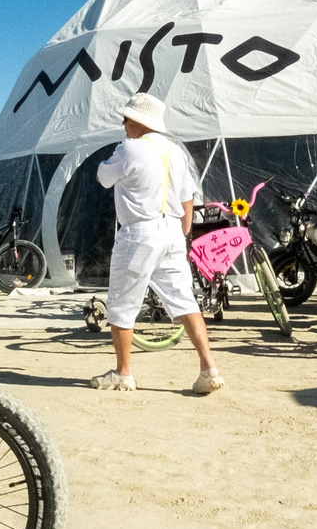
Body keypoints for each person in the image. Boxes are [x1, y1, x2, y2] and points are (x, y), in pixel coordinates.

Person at [90, 92, 222, 395]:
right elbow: (188, 198)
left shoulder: (129, 149)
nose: (123, 122)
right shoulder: (176, 152)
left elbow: (103, 177)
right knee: (184, 300)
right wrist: (183, 234)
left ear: (139, 120)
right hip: (173, 232)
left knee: (122, 304)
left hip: (139, 233)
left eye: (126, 117)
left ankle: (124, 373)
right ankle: (208, 367)